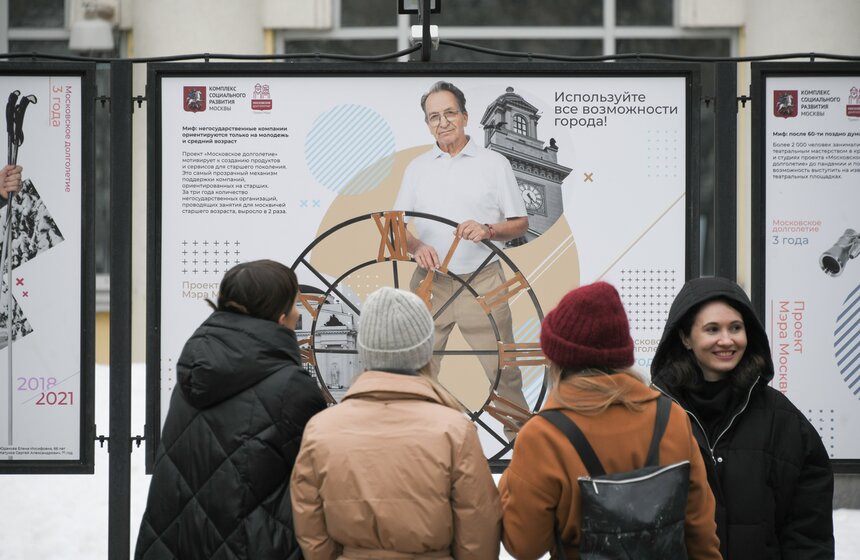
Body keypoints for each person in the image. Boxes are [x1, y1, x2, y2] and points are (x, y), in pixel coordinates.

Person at [499, 281, 721, 559]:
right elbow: (700, 534)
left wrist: (510, 480)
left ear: (557, 358)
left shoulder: (543, 436)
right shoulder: (670, 417)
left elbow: (524, 546)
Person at [134, 260, 327, 560]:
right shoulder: (291, 387)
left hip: (176, 545)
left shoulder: (194, 371)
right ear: (279, 317)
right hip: (255, 546)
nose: (298, 314)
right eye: (293, 305)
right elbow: (321, 479)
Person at [290, 287, 501, 559]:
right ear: (425, 351)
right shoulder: (455, 430)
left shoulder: (321, 429)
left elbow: (311, 530)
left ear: (364, 350)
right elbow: (478, 534)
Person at [650, 276, 834, 559]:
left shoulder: (783, 421)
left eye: (736, 328)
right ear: (686, 338)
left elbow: (809, 534)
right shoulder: (653, 417)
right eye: (712, 329)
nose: (727, 340)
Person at [393, 80, 530, 438]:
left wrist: (487, 230)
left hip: (482, 281)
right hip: (428, 284)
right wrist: (415, 247)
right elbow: (396, 230)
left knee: (505, 371)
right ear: (427, 124)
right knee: (412, 372)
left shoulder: (494, 163)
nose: (442, 122)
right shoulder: (417, 168)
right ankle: (412, 447)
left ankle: (525, 451)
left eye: (449, 113)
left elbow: (520, 225)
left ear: (465, 117)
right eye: (433, 116)